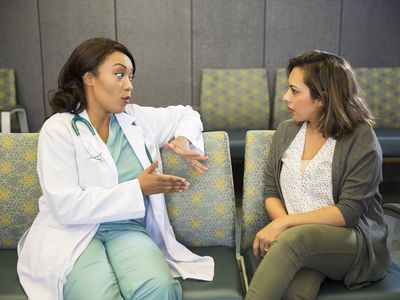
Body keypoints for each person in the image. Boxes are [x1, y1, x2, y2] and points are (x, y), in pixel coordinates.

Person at [17, 37, 214, 300]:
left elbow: (187, 114)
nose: (128, 86)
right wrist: (138, 189)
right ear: (89, 77)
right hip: (73, 234)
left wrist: (182, 139)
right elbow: (65, 205)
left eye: (131, 77)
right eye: (119, 75)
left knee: (159, 288)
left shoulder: (135, 118)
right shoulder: (59, 129)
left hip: (127, 229)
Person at [245, 50, 390, 300]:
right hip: (298, 242)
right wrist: (283, 224)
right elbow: (270, 191)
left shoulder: (360, 138)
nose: (285, 97)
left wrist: (285, 225)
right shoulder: (285, 132)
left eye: (294, 90)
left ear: (322, 97)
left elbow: (349, 211)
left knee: (296, 240)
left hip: (352, 240)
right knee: (295, 291)